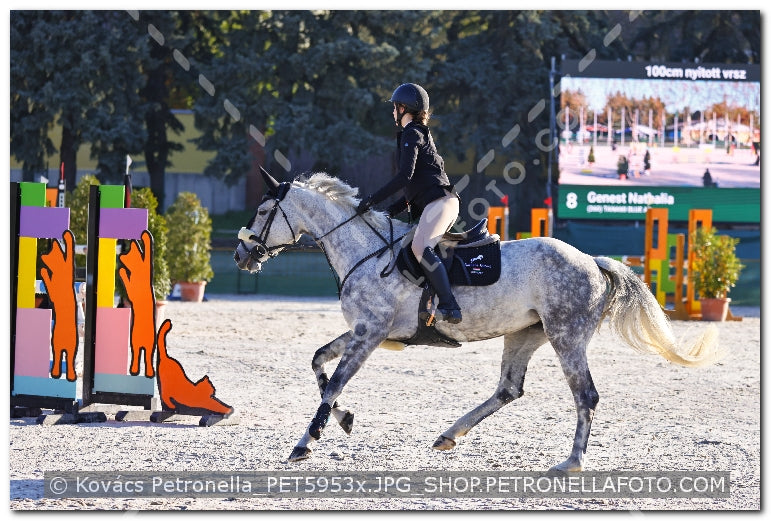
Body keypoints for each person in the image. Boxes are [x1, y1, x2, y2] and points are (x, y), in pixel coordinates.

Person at [357, 83, 462, 324]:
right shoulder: (415, 134)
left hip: (442, 201)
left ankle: (450, 305)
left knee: (419, 247)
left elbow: (404, 177)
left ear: (403, 108)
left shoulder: (413, 133)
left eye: (395, 108)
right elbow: (413, 187)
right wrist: (389, 210)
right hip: (435, 201)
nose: (393, 112)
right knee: (409, 246)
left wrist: (371, 199)